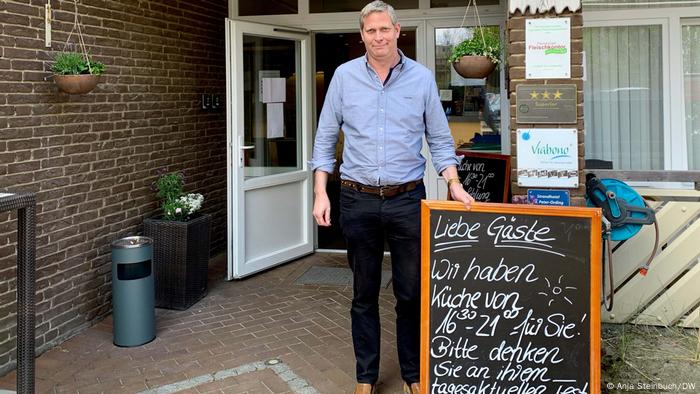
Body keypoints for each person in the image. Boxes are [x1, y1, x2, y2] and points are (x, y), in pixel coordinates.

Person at [309, 2, 474, 393]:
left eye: (384, 29)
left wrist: (453, 182)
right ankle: (365, 377)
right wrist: (320, 192)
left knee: (410, 292)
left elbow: (438, 138)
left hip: (406, 199)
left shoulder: (420, 78)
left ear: (397, 30)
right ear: (362, 34)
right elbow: (325, 137)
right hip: (357, 198)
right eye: (370, 31)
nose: (378, 37)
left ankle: (413, 375)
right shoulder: (344, 77)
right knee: (363, 292)